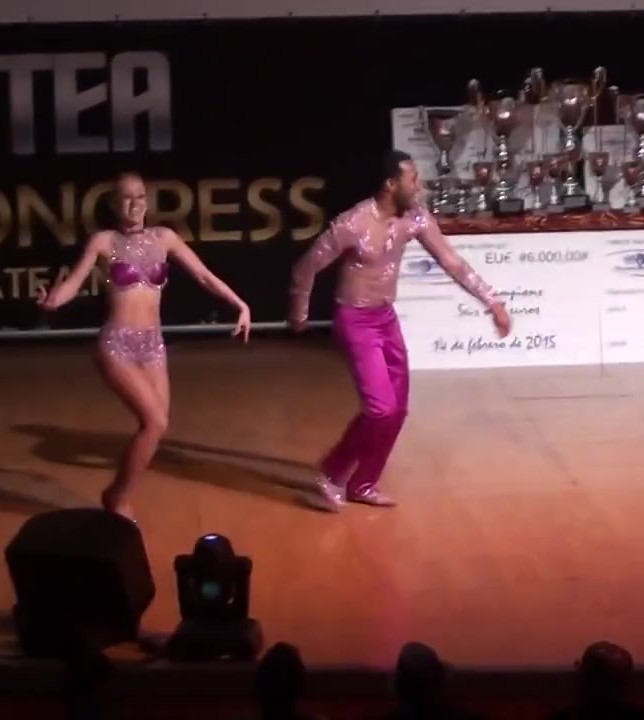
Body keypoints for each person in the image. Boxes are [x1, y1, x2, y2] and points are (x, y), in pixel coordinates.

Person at [287, 150, 510, 510]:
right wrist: (299, 314)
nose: (419, 186)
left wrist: (492, 302)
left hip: (385, 318)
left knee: (398, 410)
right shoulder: (353, 224)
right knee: (380, 409)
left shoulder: (415, 218)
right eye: (413, 179)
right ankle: (332, 471)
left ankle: (364, 483)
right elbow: (306, 267)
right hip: (355, 320)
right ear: (391, 184)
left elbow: (452, 262)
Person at [38, 172, 252, 521]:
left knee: (157, 426)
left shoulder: (164, 238)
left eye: (140, 196)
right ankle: (117, 497)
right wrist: (52, 301)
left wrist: (239, 304)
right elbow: (74, 283)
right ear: (113, 204)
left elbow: (203, 275)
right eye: (126, 198)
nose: (135, 204)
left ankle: (118, 491)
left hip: (153, 346)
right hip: (117, 344)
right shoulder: (103, 241)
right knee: (154, 422)